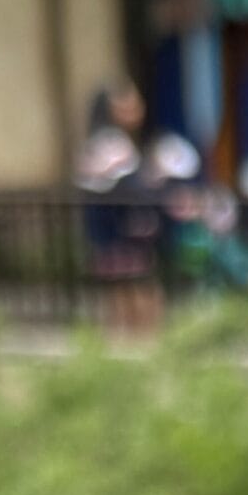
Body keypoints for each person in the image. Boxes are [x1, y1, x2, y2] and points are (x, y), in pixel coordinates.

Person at [79, 79, 197, 333]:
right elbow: (125, 189)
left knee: (134, 299)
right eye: (127, 105)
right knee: (134, 301)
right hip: (119, 239)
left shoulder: (123, 143)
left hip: (126, 238)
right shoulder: (109, 146)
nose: (136, 110)